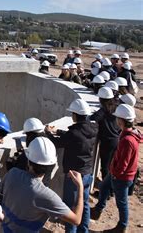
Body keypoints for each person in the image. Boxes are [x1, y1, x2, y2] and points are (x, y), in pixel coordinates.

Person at [0, 137, 84, 232]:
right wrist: (80, 187)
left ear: (28, 161)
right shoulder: (46, 196)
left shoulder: (13, 173)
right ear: (52, 165)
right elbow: (76, 220)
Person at [45, 99, 97, 233]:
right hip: (87, 173)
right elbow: (74, 136)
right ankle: (83, 231)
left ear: (75, 115)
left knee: (70, 209)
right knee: (83, 205)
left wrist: (48, 133)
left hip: (74, 176)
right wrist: (59, 131)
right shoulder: (93, 128)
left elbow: (58, 143)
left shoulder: (74, 134)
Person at [91, 104, 141, 233]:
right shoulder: (129, 134)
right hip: (117, 173)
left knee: (121, 202)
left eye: (117, 118)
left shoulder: (127, 140)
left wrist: (115, 175)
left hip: (121, 176)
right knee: (103, 187)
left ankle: (122, 226)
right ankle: (98, 210)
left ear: (121, 121)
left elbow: (123, 164)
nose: (116, 120)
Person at [89, 87, 119, 184]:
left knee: (105, 167)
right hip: (116, 139)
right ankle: (111, 188)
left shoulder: (103, 111)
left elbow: (92, 119)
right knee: (112, 166)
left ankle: (107, 192)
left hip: (107, 142)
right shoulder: (115, 107)